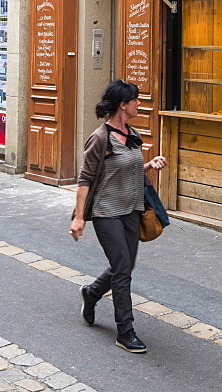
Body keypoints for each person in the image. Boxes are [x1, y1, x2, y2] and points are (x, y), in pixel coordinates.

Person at [69, 79, 167, 353]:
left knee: (123, 266)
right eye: (135, 100)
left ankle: (91, 293)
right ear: (123, 105)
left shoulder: (132, 133)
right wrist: (78, 218)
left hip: (132, 210)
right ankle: (125, 331)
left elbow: (128, 169)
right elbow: (85, 179)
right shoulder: (101, 138)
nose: (139, 104)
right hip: (107, 212)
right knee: (123, 269)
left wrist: (149, 164)